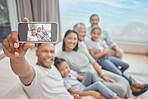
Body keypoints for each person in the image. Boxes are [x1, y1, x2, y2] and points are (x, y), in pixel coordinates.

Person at [2, 18, 81, 99]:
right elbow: (23, 72)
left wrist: (73, 96)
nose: (49, 55)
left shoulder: (54, 67)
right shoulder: (35, 72)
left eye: (52, 52)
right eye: (45, 51)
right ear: (36, 52)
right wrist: (18, 57)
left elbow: (61, 90)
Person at [58, 29, 132, 98]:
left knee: (124, 81)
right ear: (64, 39)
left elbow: (93, 61)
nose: (72, 41)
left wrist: (103, 75)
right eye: (69, 38)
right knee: (120, 89)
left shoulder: (81, 49)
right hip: (87, 79)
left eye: (75, 39)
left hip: (96, 72)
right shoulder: (62, 57)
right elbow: (70, 77)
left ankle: (132, 93)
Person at [86, 26, 148, 96]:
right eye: (94, 33)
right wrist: (103, 52)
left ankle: (122, 77)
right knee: (118, 72)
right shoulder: (89, 42)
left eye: (98, 34)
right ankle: (133, 85)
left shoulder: (99, 41)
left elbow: (106, 49)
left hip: (107, 57)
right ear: (91, 33)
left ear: (100, 35)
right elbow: (93, 57)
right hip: (101, 61)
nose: (96, 35)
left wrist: (103, 52)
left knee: (126, 65)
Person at [54, 57, 122, 99]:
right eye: (62, 70)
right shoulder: (64, 81)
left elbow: (81, 77)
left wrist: (97, 78)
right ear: (58, 72)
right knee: (98, 84)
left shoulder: (70, 72)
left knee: (90, 73)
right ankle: (116, 97)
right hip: (82, 91)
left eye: (66, 67)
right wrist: (90, 92)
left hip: (83, 85)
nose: (66, 70)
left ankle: (101, 89)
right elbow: (73, 92)